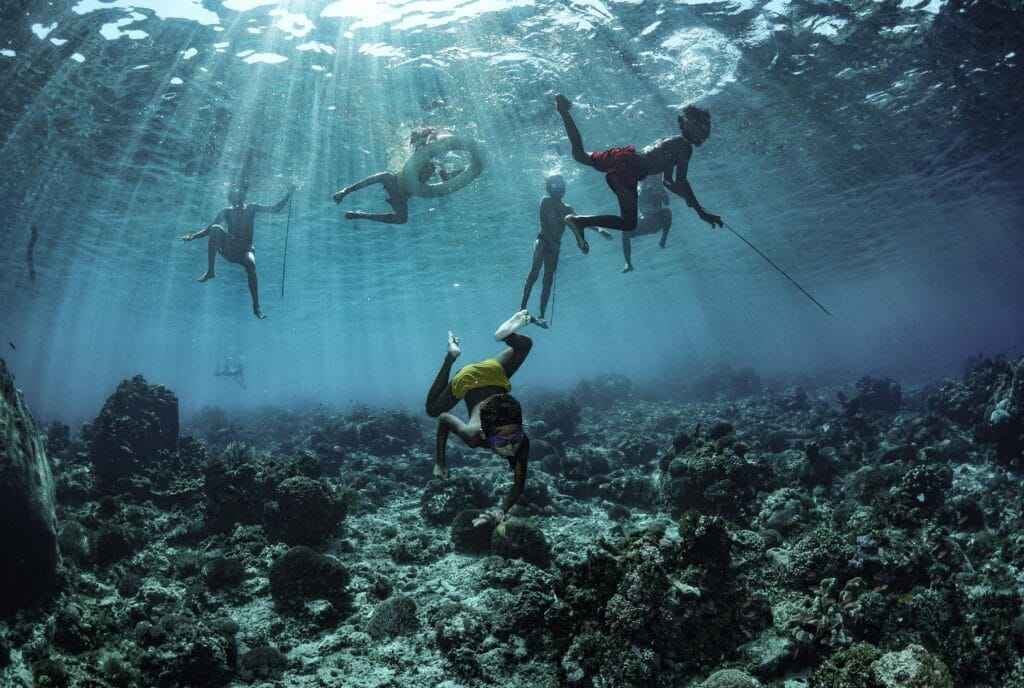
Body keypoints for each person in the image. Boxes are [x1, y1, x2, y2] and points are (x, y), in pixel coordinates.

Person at [554, 93, 723, 254]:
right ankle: (579, 221)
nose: (706, 134)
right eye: (703, 128)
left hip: (623, 156)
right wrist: (702, 212)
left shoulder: (675, 143)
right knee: (629, 223)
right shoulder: (685, 147)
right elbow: (682, 182)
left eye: (707, 130)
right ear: (689, 123)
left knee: (580, 155)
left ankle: (563, 111)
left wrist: (690, 201)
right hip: (630, 168)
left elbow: (668, 181)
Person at [425, 310, 533, 529]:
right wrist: (440, 462)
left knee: (526, 345)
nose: (511, 448)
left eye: (515, 437)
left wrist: (501, 512)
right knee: (432, 410)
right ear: (485, 435)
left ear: (521, 429)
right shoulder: (474, 437)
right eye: (502, 443)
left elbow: (519, 484)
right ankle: (451, 357)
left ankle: (501, 337)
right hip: (469, 380)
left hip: (495, 374)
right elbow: (443, 419)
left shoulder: (521, 441)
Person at [179, 183, 294, 319]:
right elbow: (208, 230)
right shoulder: (226, 211)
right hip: (230, 250)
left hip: (245, 251)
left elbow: (276, 209)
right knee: (215, 228)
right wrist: (192, 236)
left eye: (239, 196)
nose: (237, 199)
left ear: (243, 196)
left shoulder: (252, 208)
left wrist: (288, 195)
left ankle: (256, 306)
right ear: (230, 199)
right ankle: (211, 271)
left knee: (251, 265)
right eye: (233, 197)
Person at [519, 174, 611, 328]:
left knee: (548, 280)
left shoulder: (567, 208)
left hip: (554, 247)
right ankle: (522, 308)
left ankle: (541, 315)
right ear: (548, 187)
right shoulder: (545, 201)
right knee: (534, 273)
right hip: (543, 242)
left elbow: (581, 221)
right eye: (555, 185)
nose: (559, 188)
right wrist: (552, 242)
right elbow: (544, 222)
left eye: (561, 185)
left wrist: (600, 229)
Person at [332, 127, 461, 225]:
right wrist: (430, 136)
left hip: (404, 195)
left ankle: (360, 215)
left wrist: (457, 174)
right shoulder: (421, 150)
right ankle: (345, 191)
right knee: (387, 176)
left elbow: (445, 180)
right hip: (395, 183)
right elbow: (424, 144)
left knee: (402, 219)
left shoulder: (436, 163)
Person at [621, 179, 673, 273]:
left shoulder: (657, 185)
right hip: (645, 222)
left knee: (667, 212)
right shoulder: (637, 188)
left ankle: (664, 238)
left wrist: (661, 190)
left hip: (657, 221)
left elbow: (667, 202)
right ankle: (628, 263)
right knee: (625, 232)